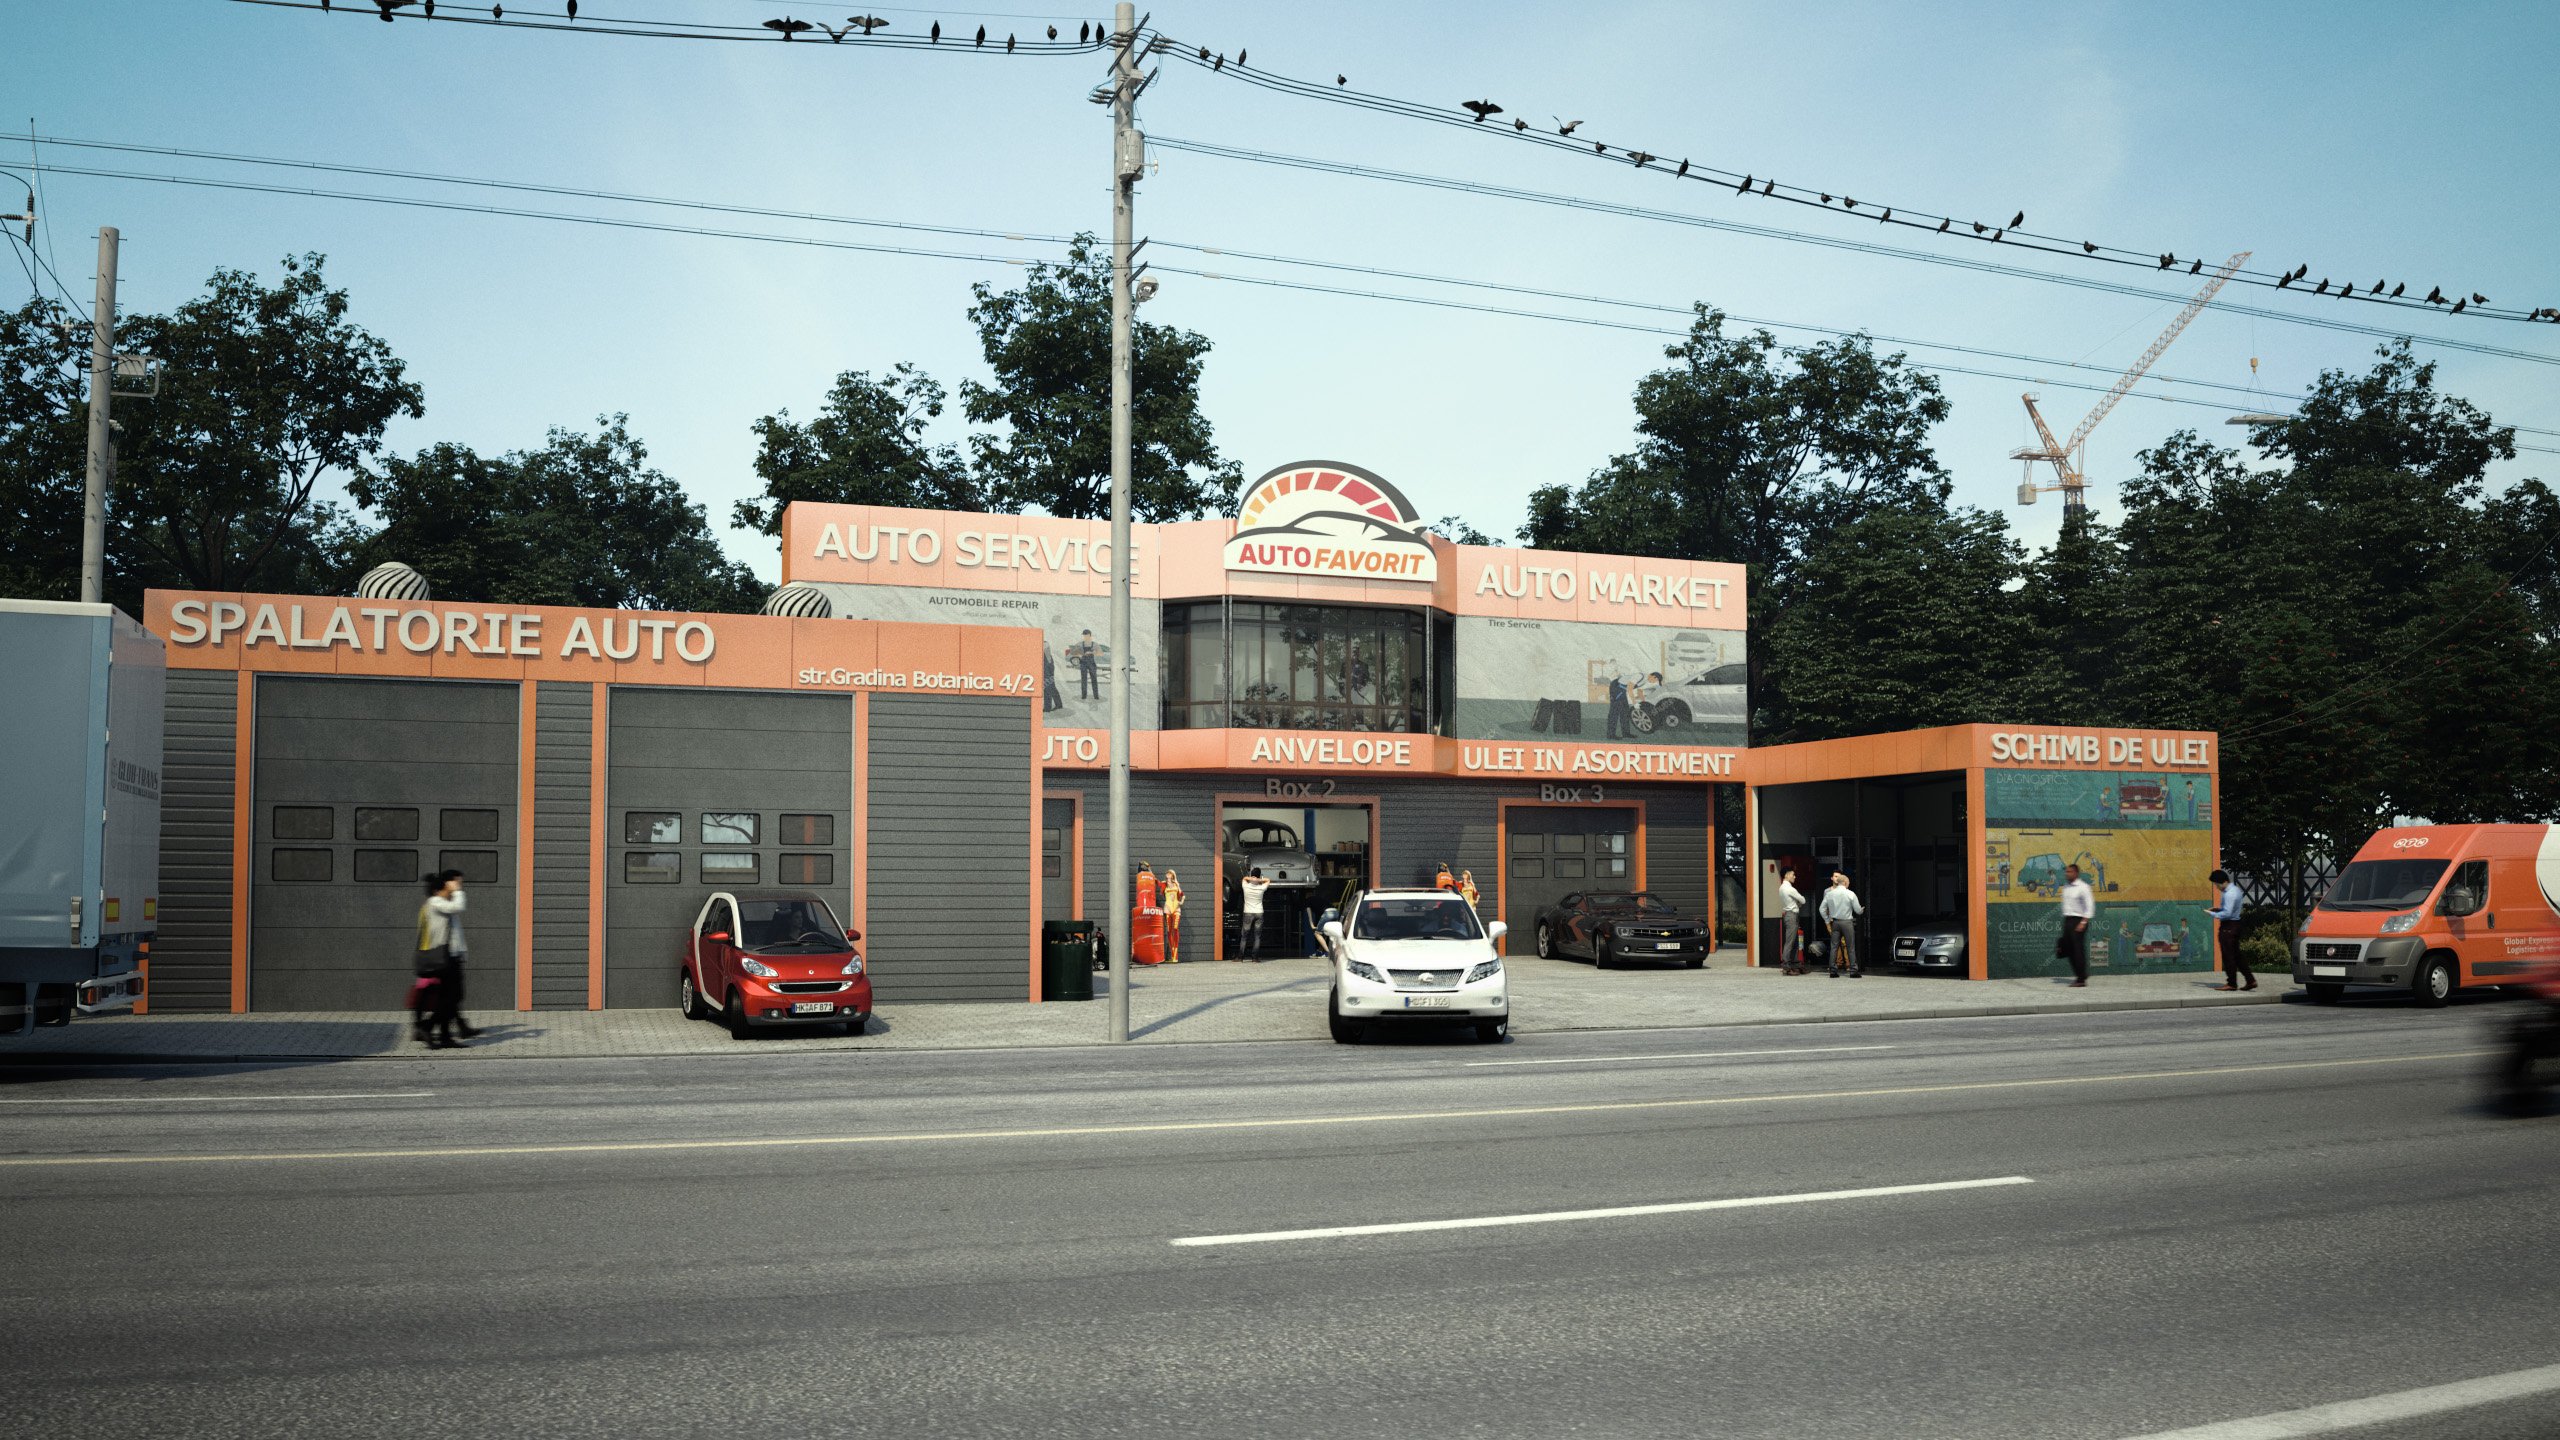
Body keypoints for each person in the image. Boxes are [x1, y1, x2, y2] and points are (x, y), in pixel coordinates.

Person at [417, 870, 479, 1048]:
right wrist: (458, 892)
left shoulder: (444, 903)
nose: (459, 886)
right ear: (446, 883)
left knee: (448, 998)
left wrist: (462, 953)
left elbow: (456, 934)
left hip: (452, 957)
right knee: (453, 997)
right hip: (445, 959)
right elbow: (458, 907)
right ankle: (427, 1026)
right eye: (457, 882)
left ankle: (445, 1037)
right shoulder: (435, 902)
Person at [2207, 868, 2251, 991]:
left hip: (2228, 927)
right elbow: (2229, 910)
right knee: (2237, 955)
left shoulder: (2229, 894)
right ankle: (2250, 980)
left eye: (2216, 884)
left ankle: (2231, 983)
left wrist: (2212, 914)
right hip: (2235, 924)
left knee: (2228, 955)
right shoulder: (2236, 890)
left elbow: (2227, 913)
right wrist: (2217, 909)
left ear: (2223, 882)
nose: (2216, 887)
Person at [1818, 871, 1864, 978]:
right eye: (1848, 882)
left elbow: (1821, 909)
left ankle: (1833, 971)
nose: (1849, 884)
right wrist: (1861, 910)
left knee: (1834, 946)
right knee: (1850, 947)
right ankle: (1853, 971)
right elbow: (1857, 910)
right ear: (1845, 882)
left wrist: (1827, 920)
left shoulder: (1829, 894)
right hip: (1847, 922)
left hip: (1835, 922)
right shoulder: (1850, 894)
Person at [2059, 862, 2095, 987]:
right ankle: (2082, 974)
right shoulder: (2066, 886)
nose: (2067, 874)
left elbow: (2090, 906)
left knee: (2077, 950)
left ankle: (2081, 980)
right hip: (2068, 920)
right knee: (2067, 949)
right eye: (2066, 871)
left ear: (2076, 873)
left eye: (2069, 872)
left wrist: (2083, 922)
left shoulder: (2083, 887)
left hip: (2079, 920)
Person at [1778, 867, 1809, 975]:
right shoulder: (1790, 889)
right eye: (1793, 874)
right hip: (1792, 915)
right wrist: (1798, 901)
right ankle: (1786, 966)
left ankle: (1796, 964)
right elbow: (1803, 900)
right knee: (1790, 942)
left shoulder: (1782, 888)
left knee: (1794, 942)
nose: (1794, 877)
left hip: (1788, 915)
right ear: (1786, 875)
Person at [1238, 866, 1270, 960]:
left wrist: (1252, 878)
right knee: (1257, 936)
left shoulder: (1245, 886)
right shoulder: (1261, 888)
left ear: (1251, 875)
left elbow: (1244, 878)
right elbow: (1268, 880)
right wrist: (1259, 880)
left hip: (1248, 913)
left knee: (1244, 936)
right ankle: (1255, 958)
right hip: (1259, 912)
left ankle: (1240, 957)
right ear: (1259, 876)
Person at [1162, 868, 1185, 964]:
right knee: (1169, 931)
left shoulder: (1176, 884)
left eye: (1170, 874)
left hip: (1176, 908)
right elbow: (1157, 882)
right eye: (1167, 875)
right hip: (1168, 908)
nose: (1168, 876)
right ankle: (1173, 956)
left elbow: (1182, 895)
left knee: (1175, 929)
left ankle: (1175, 956)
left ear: (1172, 875)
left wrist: (1181, 902)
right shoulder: (1164, 884)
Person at [1071, 629, 1101, 701]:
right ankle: (1084, 696)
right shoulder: (1080, 644)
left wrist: (1091, 652)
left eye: (1086, 635)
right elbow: (1073, 652)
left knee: (1094, 679)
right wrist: (1079, 654)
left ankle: (1096, 696)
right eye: (1084, 635)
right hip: (1083, 663)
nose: (1085, 637)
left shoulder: (1094, 644)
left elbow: (1099, 653)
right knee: (1083, 680)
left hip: (1091, 663)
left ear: (1090, 635)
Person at [1605, 670, 1632, 740]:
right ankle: (1611, 735)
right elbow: (1615, 694)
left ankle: (1626, 733)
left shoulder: (1626, 682)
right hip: (1616, 701)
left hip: (1623, 700)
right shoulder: (1615, 682)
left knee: (1625, 716)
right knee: (1613, 717)